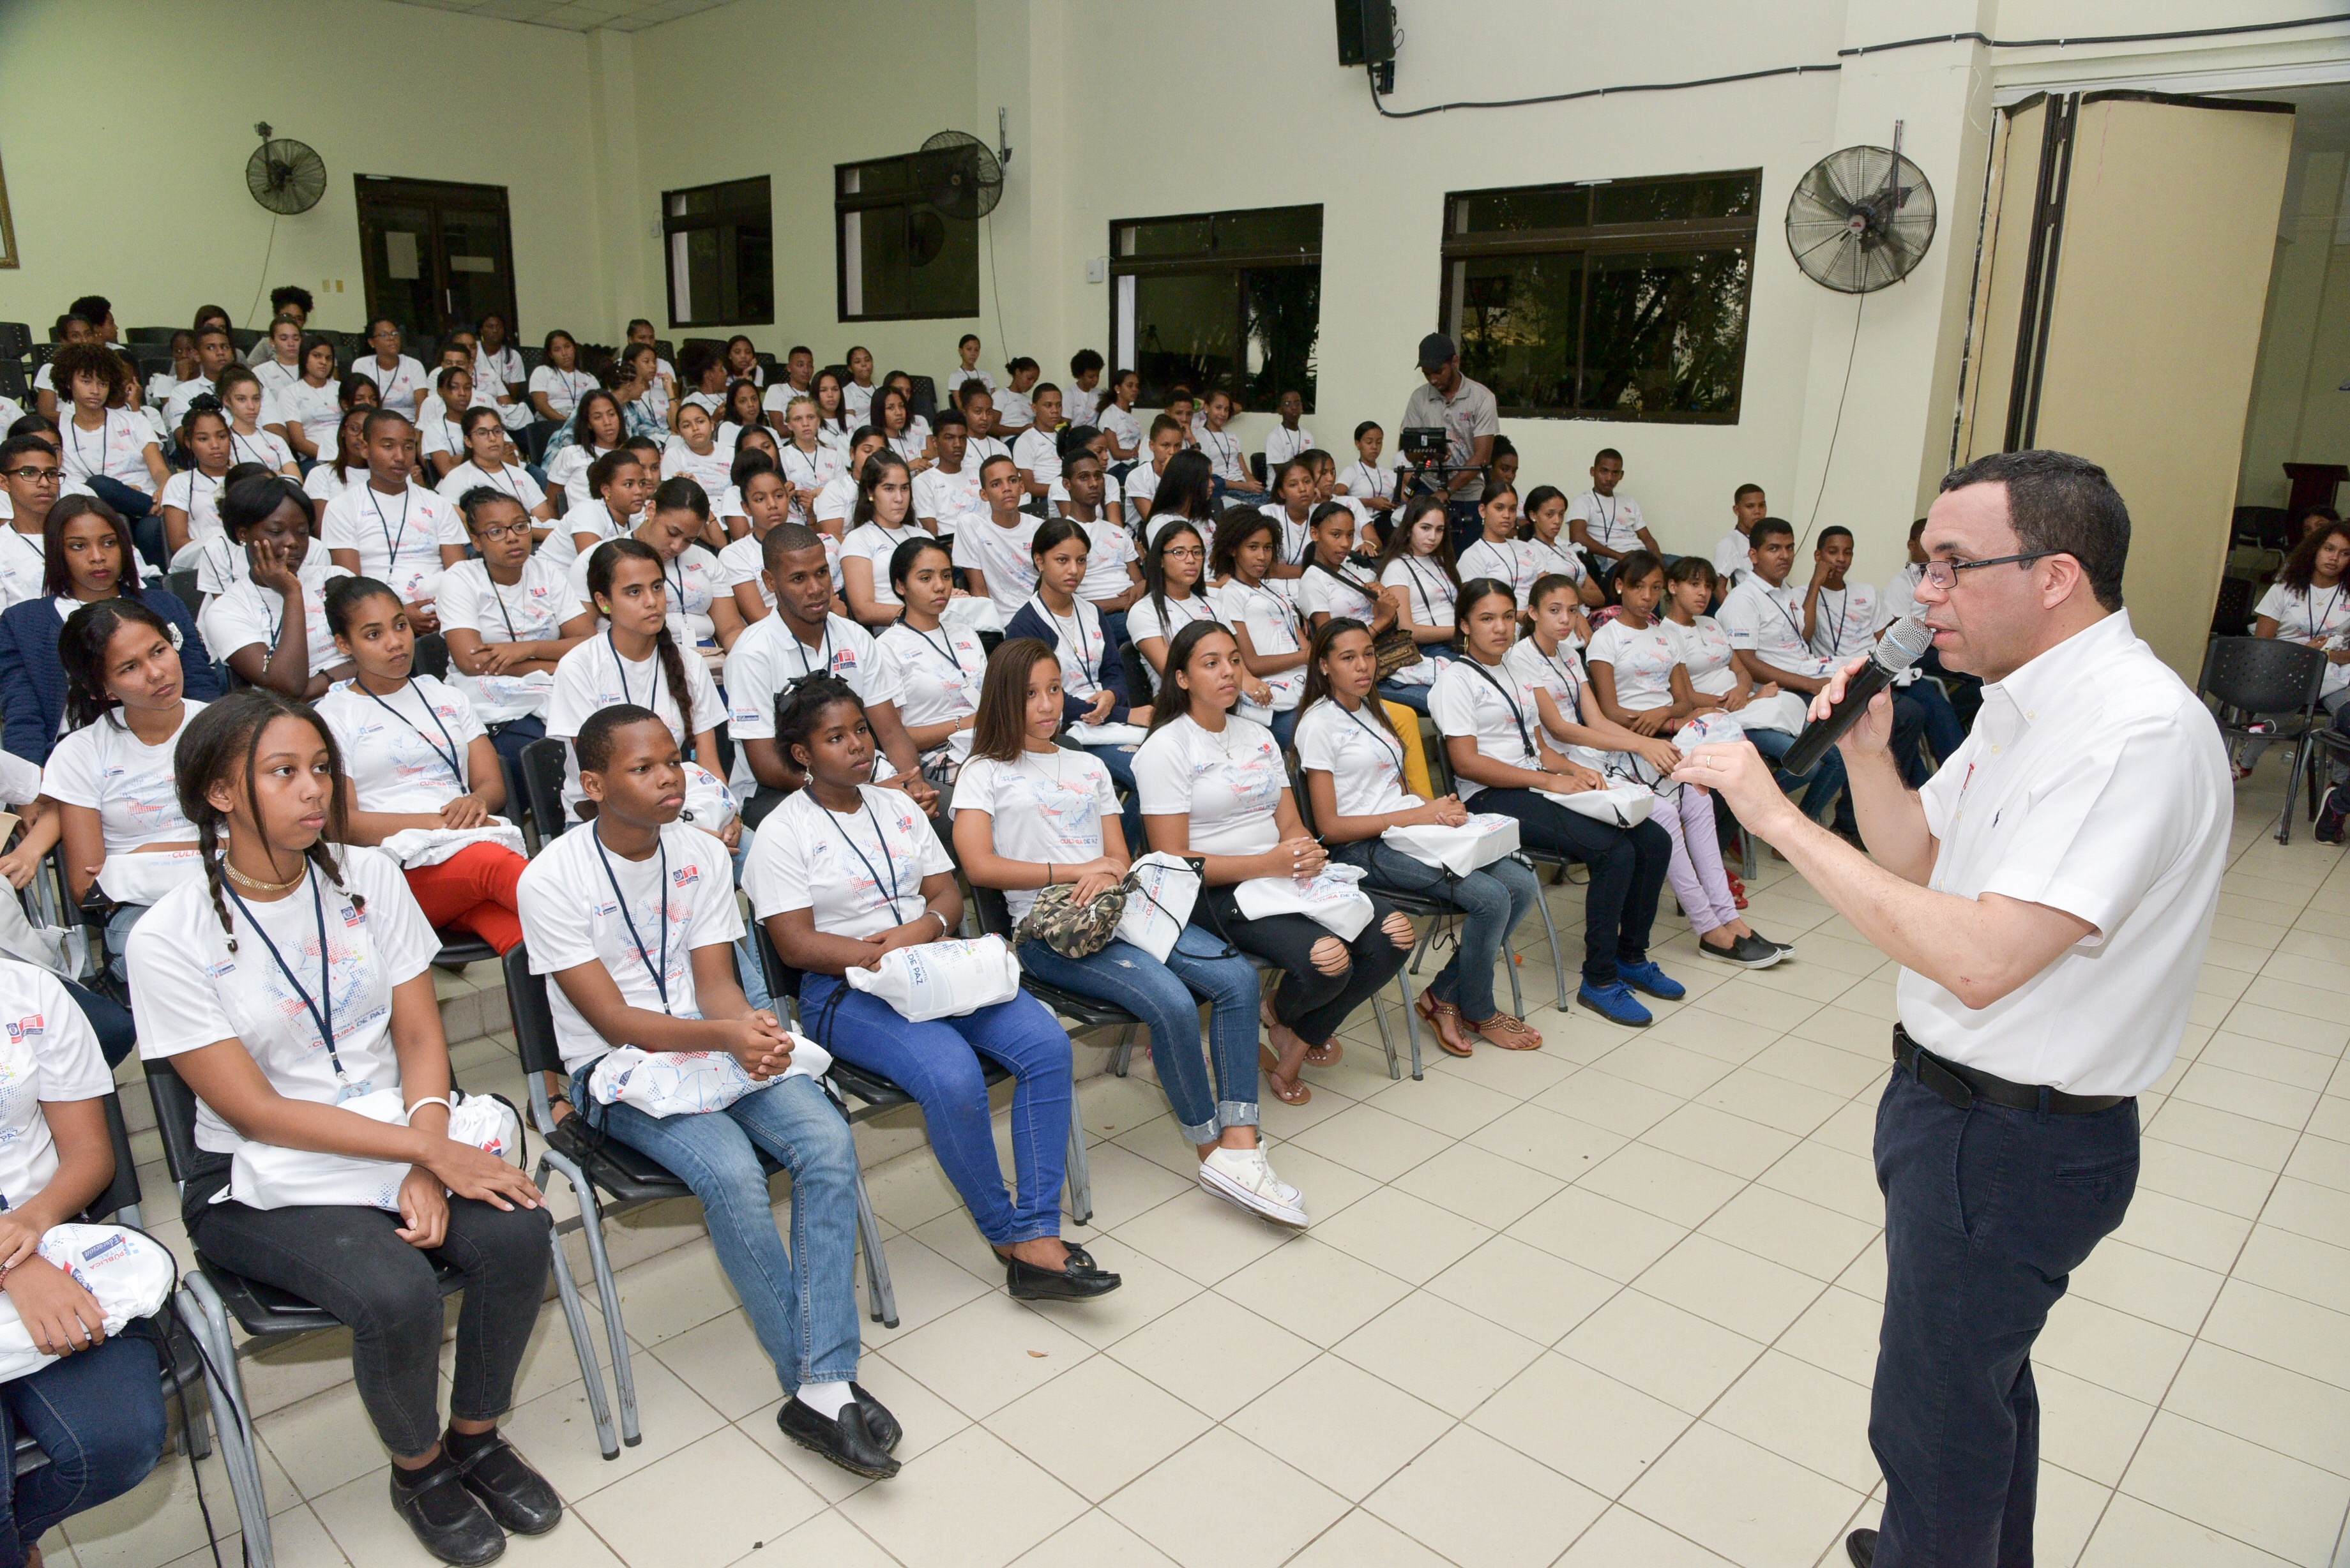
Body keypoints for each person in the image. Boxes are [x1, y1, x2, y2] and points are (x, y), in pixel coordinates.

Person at [1671, 449, 2231, 1568]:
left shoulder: (2130, 733)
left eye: (1950, 566)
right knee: (1976, 1394)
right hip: (1957, 1112)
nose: (1923, 596)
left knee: (1933, 1424)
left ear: (2055, 575)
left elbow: (1982, 960)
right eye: (1924, 566)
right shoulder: (2025, 704)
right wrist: (1867, 758)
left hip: (2013, 1137)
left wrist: (1777, 820)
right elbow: (1924, 861)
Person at [128, 690, 560, 1565]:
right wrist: (423, 1152)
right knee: (395, 1289)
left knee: (520, 1233)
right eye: (283, 772)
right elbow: (254, 1110)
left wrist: (424, 1152)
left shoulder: (370, 877)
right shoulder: (168, 935)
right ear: (220, 792)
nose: (313, 789)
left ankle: (476, 1437)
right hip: (256, 1171)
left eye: (321, 768)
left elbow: (419, 1037)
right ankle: (420, 1470)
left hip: (396, 1130)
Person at [518, 702, 900, 1477]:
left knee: (826, 1139)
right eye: (644, 767)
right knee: (729, 1172)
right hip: (615, 1069)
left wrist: (745, 1027)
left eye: (673, 760)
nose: (671, 778)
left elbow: (716, 985)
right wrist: (726, 1036)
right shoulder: (550, 877)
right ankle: (821, 1380)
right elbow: (610, 1019)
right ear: (593, 784)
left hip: (706, 1037)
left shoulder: (697, 850)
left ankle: (820, 1383)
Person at [752, 675, 1119, 1300]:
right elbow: (793, 943)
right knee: (952, 1076)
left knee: (1045, 1044)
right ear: (802, 753)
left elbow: (946, 894)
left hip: (934, 965)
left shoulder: (896, 806)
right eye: (835, 738)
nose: (857, 745)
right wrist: (877, 954)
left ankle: (1037, 1225)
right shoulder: (781, 831)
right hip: (846, 988)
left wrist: (919, 931)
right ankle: (1008, 1235)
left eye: (861, 730)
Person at [957, 639, 1301, 1221]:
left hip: (1119, 906)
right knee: (1171, 1001)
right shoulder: (983, 771)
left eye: (1054, 689)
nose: (1047, 704)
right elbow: (979, 868)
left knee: (1239, 980)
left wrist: (1107, 871)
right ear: (1002, 699)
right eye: (1030, 694)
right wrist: (1078, 872)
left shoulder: (1088, 766)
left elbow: (1119, 856)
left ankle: (1241, 1142)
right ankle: (1211, 1150)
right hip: (1052, 929)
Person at [1136, 621, 1413, 1104]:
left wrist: (1304, 850)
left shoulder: (1257, 736)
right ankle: (1293, 1038)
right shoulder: (1167, 747)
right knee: (1328, 960)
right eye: (1211, 664)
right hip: (1210, 891)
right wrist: (1270, 863)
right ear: (1181, 678)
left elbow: (1289, 823)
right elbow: (1172, 860)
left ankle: (1291, 1029)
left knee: (1396, 935)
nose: (1229, 672)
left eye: (1234, 660)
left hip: (1279, 873)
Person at [1431, 578, 1679, 1028]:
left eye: (1506, 617)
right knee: (1614, 851)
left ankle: (1630, 957)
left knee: (1654, 840)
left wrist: (1572, 770)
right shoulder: (1455, 681)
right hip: (1490, 796)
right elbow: (1467, 763)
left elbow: (1540, 746)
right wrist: (1549, 779)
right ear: (1464, 625)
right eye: (1487, 619)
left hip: (1536, 782)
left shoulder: (1516, 671)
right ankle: (1599, 980)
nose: (1501, 628)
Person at [1297, 616, 1543, 1056]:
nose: (1363, 666)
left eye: (1368, 654)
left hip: (1405, 831)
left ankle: (1443, 995)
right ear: (1324, 666)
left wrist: (1436, 811)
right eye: (1348, 658)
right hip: (1361, 848)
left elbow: (1393, 787)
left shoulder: (1372, 709)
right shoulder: (1318, 724)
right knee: (1491, 898)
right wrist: (1418, 816)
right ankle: (1479, 1009)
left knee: (1522, 884)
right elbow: (1329, 828)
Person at [0, 950, 169, 1555]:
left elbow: (91, 1156)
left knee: (122, 1444)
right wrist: (14, 1268)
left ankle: (15, 1540)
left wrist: (32, 1225)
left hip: (47, 1240)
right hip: (26, 1263)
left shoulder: (29, 993)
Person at [1577, 558, 1790, 967]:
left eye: (1655, 588)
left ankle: (1730, 919)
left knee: (1700, 802)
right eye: (1639, 587)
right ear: (1619, 586)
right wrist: (1658, 721)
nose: (1648, 597)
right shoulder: (1606, 639)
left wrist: (1665, 716)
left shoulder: (1665, 636)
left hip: (1668, 739)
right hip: (1626, 747)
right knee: (1669, 817)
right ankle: (1709, 928)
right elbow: (1609, 711)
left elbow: (1682, 700)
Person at [316, 577, 528, 956]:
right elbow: (340, 823)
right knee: (496, 869)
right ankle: (610, 922)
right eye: (374, 634)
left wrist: (476, 801)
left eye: (400, 626)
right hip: (394, 871)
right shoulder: (332, 716)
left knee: (525, 940)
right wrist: (439, 823)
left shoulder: (446, 696)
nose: (395, 642)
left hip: (462, 855)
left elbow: (491, 785)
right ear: (344, 645)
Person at [720, 524, 930, 815]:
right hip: (781, 792)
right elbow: (766, 766)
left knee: (951, 814)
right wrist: (861, 793)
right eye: (798, 578)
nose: (816, 588)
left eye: (822, 572)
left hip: (862, 780)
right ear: (770, 582)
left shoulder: (856, 636)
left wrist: (915, 783)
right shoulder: (751, 654)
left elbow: (892, 731)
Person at [0, 497, 219, 767]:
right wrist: (33, 780)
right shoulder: (23, 622)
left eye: (109, 543)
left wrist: (209, 754)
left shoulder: (164, 604)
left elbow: (200, 687)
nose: (97, 557)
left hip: (173, 746)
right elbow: (23, 716)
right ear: (57, 552)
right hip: (71, 759)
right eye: (79, 546)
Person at [1003, 519, 1151, 847]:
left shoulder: (1092, 612)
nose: (1074, 570)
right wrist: (1122, 713)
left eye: (1081, 560)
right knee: (1152, 776)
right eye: (1062, 560)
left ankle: (1127, 851)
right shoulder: (1025, 625)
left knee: (1171, 766)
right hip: (1064, 729)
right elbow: (1042, 698)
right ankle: (1117, 856)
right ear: (1039, 561)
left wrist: (1111, 695)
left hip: (1106, 721)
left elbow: (1114, 669)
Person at [437, 486, 593, 783]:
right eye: (496, 531)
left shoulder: (546, 572)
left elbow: (587, 640)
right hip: (487, 693)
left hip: (549, 683)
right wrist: (549, 665)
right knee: (544, 749)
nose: (513, 537)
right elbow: (471, 662)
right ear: (476, 541)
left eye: (521, 526)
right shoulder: (459, 579)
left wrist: (527, 649)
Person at [1719, 518, 1856, 833]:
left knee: (1860, 730)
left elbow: (1804, 635)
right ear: (1753, 555)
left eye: (1789, 548)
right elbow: (1748, 663)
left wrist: (1814, 585)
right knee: (1835, 754)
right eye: (1774, 549)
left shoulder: (1785, 592)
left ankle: (1798, 827)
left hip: (1803, 680)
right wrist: (1811, 684)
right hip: (1776, 692)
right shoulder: (1744, 599)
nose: (1784, 556)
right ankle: (1755, 813)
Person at [1809, 526, 1967, 788]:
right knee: (1909, 715)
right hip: (1848, 675)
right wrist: (1816, 582)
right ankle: (1917, 790)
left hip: (1882, 668)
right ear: (1818, 556)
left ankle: (1959, 781)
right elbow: (1805, 635)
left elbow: (1884, 638)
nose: (1841, 559)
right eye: (1833, 552)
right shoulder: (1804, 597)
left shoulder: (1866, 592)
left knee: (1933, 702)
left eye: (1848, 552)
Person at [199, 475, 354, 700]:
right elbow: (288, 686)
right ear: (243, 534)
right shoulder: (227, 611)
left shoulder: (336, 578)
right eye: (276, 532)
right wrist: (291, 593)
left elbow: (384, 653)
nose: (293, 542)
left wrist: (310, 690)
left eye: (302, 532)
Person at [321, 411, 467, 634]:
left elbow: (459, 574)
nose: (400, 456)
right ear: (365, 448)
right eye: (388, 446)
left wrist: (446, 610)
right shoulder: (342, 507)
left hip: (443, 612)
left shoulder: (438, 504)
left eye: (408, 447)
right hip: (376, 616)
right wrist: (400, 614)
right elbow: (351, 588)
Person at [566, 478, 740, 656]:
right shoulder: (597, 558)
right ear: (651, 510)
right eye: (672, 533)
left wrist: (741, 657)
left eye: (689, 540)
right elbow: (582, 636)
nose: (677, 546)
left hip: (707, 655)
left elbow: (730, 628)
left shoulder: (706, 560)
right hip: (631, 655)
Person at [876, 538, 984, 792]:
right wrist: (964, 723)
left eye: (946, 576)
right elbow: (895, 736)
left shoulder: (965, 632)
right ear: (901, 586)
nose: (940, 586)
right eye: (926, 578)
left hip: (984, 740)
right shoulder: (887, 648)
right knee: (993, 779)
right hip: (934, 753)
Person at [1209, 509, 1308, 749]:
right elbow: (1252, 664)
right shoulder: (1231, 594)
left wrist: (1311, 656)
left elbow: (1306, 647)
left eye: (1268, 548)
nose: (1262, 556)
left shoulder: (1276, 592)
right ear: (1233, 549)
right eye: (1253, 547)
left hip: (1303, 685)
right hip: (1270, 701)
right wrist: (1307, 656)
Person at [49, 342, 169, 530]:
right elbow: (77, 490)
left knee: (151, 530)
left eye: (103, 383)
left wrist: (163, 488)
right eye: (86, 382)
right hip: (102, 511)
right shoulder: (62, 436)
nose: (95, 391)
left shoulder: (135, 420)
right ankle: (148, 508)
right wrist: (121, 494)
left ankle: (150, 508)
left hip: (149, 500)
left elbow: (160, 471)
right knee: (98, 484)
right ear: (68, 383)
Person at [1398, 334, 1498, 545]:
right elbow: (1409, 452)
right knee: (1420, 550)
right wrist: (1431, 453)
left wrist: (1448, 490)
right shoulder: (1419, 398)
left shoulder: (1482, 398)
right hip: (1427, 486)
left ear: (1455, 362)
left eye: (1438, 372)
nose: (1433, 380)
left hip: (1468, 494)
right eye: (1427, 374)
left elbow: (1482, 457)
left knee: (1466, 554)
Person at [1126, 519, 1220, 700]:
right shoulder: (1144, 611)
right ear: (1161, 560)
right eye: (1179, 553)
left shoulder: (1214, 605)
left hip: (1223, 693)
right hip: (1178, 701)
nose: (1191, 560)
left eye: (1197, 552)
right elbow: (1172, 673)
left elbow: (1235, 660)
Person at [838, 451, 931, 628]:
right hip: (894, 633)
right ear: (870, 492)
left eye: (904, 488)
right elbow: (864, 610)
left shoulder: (924, 536)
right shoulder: (858, 539)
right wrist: (924, 613)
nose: (899, 498)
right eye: (889, 489)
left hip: (937, 625)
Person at [1378, 495, 1464, 671]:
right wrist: (1459, 630)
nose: (1433, 537)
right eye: (1426, 528)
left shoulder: (1441, 561)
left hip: (1458, 640)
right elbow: (1406, 629)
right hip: (1427, 648)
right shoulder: (1397, 567)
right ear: (1409, 529)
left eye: (1439, 530)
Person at [952, 456, 1041, 621]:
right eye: (996, 484)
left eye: (1012, 481)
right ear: (984, 494)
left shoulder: (1039, 528)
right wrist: (991, 627)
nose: (1007, 488)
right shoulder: (971, 526)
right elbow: (979, 590)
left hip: (1042, 615)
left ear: (1022, 487)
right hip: (1005, 621)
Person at [436, 406, 554, 530]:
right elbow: (466, 527)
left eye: (497, 431)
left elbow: (543, 519)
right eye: (483, 433)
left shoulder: (522, 475)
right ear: (468, 441)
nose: (492, 438)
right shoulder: (456, 478)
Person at [1566, 448, 1660, 585]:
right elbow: (1577, 536)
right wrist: (1619, 556)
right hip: (1616, 562)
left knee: (1685, 569)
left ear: (1621, 475)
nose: (1610, 478)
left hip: (1642, 557)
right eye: (1604, 471)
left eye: (1615, 473)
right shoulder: (1585, 501)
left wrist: (1661, 567)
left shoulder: (1628, 501)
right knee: (1646, 578)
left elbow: (1647, 538)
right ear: (1593, 471)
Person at [0, 435, 66, 614]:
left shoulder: (84, 533)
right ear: (4, 482)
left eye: (51, 474)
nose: (45, 483)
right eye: (29, 473)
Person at [1455, 482, 1540, 610]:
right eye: (1499, 508)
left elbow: (1546, 589)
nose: (1507, 515)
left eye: (1512, 509)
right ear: (1483, 510)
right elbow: (1475, 607)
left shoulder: (1527, 548)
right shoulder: (1473, 555)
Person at [1519, 485, 1602, 608]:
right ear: (1533, 516)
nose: (1557, 521)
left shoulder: (1567, 550)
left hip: (1581, 613)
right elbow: (1552, 596)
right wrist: (1581, 594)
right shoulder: (1529, 551)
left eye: (1561, 514)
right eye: (1550, 514)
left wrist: (1570, 591)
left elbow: (1599, 598)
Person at [271, 333, 345, 464]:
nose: (324, 362)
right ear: (304, 358)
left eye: (328, 358)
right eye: (317, 356)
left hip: (349, 455)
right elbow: (298, 442)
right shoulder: (290, 393)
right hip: (314, 459)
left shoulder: (343, 388)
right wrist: (334, 460)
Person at [216, 365, 299, 478]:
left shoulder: (276, 440)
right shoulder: (223, 443)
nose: (251, 406)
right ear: (226, 401)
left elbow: (296, 480)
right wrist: (275, 475)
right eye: (242, 399)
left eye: (256, 399)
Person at [911, 409, 983, 534]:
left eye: (962, 438)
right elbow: (933, 536)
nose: (958, 444)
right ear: (935, 442)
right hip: (949, 545)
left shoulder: (979, 475)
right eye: (950, 438)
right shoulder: (923, 482)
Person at [353, 319, 427, 418]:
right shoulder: (362, 365)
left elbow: (422, 404)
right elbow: (362, 404)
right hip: (375, 422)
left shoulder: (414, 365)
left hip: (409, 421)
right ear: (372, 342)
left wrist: (418, 427)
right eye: (384, 335)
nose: (392, 338)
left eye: (394, 333)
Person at [1195, 388, 1260, 498]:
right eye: (1218, 408)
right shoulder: (1200, 437)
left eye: (1226, 410)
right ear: (1207, 408)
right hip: (1222, 491)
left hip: (1244, 488)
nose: (1223, 413)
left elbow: (1246, 472)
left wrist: (1256, 487)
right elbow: (1206, 476)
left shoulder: (1233, 437)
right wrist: (1245, 487)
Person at [1126, 414, 1189, 524]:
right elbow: (1153, 522)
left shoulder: (1186, 475)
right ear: (1152, 446)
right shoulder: (1137, 476)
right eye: (1166, 445)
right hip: (1144, 532)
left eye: (1177, 446)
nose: (1172, 452)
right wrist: (1168, 478)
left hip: (1181, 530)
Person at [1010, 382, 1065, 499]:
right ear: (1034, 408)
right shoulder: (1026, 440)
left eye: (1059, 405)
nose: (1055, 410)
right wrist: (1065, 489)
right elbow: (1029, 487)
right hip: (1047, 499)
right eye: (1048, 405)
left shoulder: (1063, 437)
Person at [527, 331, 595, 424]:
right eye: (557, 350)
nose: (564, 353)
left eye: (567, 347)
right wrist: (566, 423)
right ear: (551, 355)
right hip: (551, 423)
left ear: (574, 348)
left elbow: (598, 405)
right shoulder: (542, 371)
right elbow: (541, 405)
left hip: (582, 422)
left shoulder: (588, 378)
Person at [1713, 483, 1768, 589]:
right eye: (1750, 506)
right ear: (1737, 510)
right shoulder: (1729, 543)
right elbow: (1718, 588)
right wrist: (1734, 602)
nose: (1757, 512)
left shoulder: (1767, 538)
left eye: (1762, 505)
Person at [1095, 368, 1142, 462]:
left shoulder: (1132, 418)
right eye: (1130, 386)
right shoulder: (1109, 414)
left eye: (1137, 386)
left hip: (1134, 462)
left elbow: (1138, 445)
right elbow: (1116, 453)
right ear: (1117, 388)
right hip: (1118, 466)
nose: (1135, 390)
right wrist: (1136, 453)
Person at [944, 334, 992, 401]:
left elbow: (993, 402)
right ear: (960, 351)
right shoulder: (956, 377)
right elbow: (961, 405)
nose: (973, 353)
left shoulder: (987, 376)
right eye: (969, 349)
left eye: (976, 350)